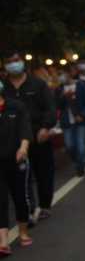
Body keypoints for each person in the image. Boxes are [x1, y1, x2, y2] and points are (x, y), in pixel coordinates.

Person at [3, 53, 57, 221]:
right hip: (15, 141)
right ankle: (30, 209)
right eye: (9, 62)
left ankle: (45, 205)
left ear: (22, 62)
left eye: (16, 61)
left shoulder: (38, 84)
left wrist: (46, 127)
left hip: (38, 135)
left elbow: (50, 108)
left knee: (44, 173)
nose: (13, 64)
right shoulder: (3, 88)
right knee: (23, 177)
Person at [0, 88, 33, 256]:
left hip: (17, 159)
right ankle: (3, 241)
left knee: (20, 197)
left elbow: (25, 129)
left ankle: (23, 231)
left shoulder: (16, 106)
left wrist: (23, 147)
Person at [58, 61, 85, 177]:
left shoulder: (80, 85)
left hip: (80, 121)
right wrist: (63, 97)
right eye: (59, 74)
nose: (61, 77)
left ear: (69, 74)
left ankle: (81, 166)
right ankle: (77, 161)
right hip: (67, 122)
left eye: (63, 74)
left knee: (81, 145)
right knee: (69, 146)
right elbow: (56, 105)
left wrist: (82, 115)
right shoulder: (59, 89)